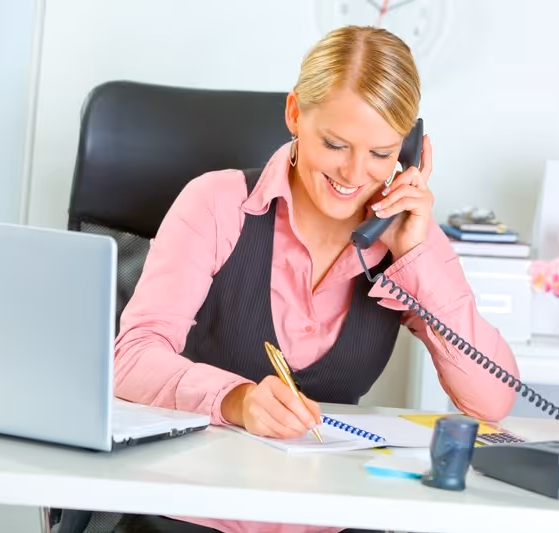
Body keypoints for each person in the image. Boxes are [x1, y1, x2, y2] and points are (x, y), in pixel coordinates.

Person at [111, 25, 519, 533]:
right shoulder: (217, 203)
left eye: (381, 153)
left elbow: (492, 399)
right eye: (335, 143)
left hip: (332, 515)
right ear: (295, 114)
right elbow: (131, 357)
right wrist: (236, 400)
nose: (354, 173)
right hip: (194, 509)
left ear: (410, 150)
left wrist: (416, 258)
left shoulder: (406, 238)